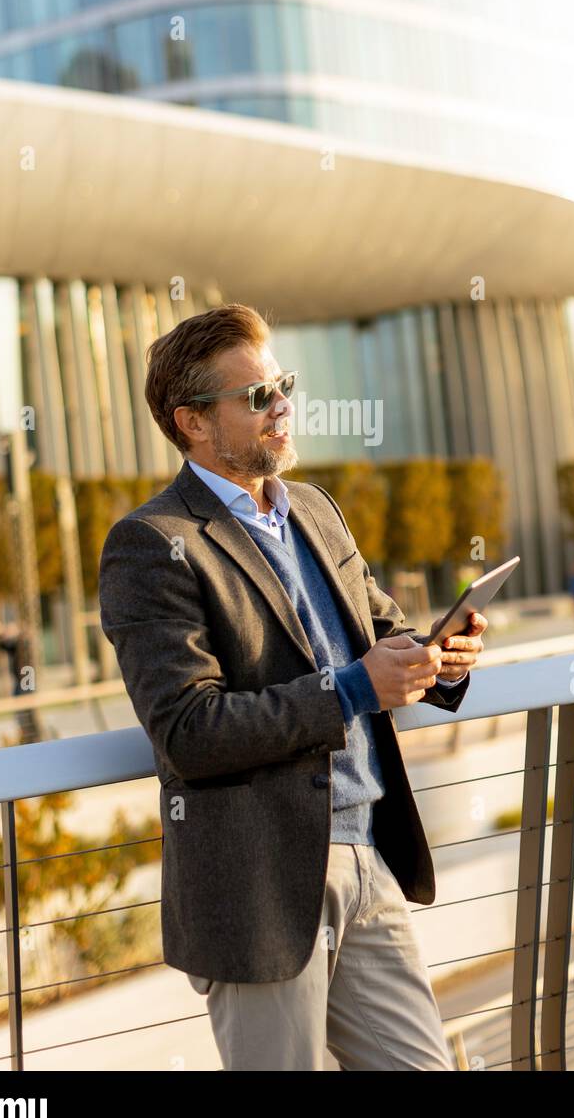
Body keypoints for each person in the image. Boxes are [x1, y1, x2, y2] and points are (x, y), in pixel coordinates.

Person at [99, 303, 488, 1071]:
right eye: (257, 396)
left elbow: (380, 633)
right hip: (259, 889)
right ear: (194, 422)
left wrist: (441, 658)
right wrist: (349, 690)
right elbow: (188, 730)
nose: (282, 406)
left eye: (284, 384)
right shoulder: (151, 544)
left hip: (371, 859)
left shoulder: (313, 509)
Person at [0, 622, 42, 743]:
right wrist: (3, 636)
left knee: (26, 708)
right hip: (20, 679)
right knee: (20, 710)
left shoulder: (23, 642)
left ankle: (32, 735)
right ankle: (27, 734)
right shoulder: (17, 644)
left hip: (26, 679)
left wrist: (11, 634)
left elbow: (12, 645)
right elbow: (3, 646)